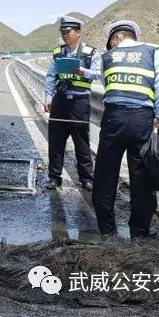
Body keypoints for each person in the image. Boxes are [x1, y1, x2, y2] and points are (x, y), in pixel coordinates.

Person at [91, 20, 159, 239]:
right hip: (141, 120)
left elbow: (104, 84)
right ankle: (140, 231)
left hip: (113, 118)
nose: (111, 46)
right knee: (141, 175)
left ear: (117, 37)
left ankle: (107, 230)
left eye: (111, 42)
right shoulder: (154, 51)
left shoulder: (106, 57)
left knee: (105, 174)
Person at [43, 16, 99, 191]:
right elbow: (51, 76)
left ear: (78, 32)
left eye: (68, 32)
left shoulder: (90, 53)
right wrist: (48, 97)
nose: (65, 35)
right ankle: (54, 177)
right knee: (56, 142)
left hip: (80, 103)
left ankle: (86, 178)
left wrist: (83, 72)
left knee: (82, 143)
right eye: (63, 32)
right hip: (60, 101)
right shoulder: (58, 53)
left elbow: (99, 74)